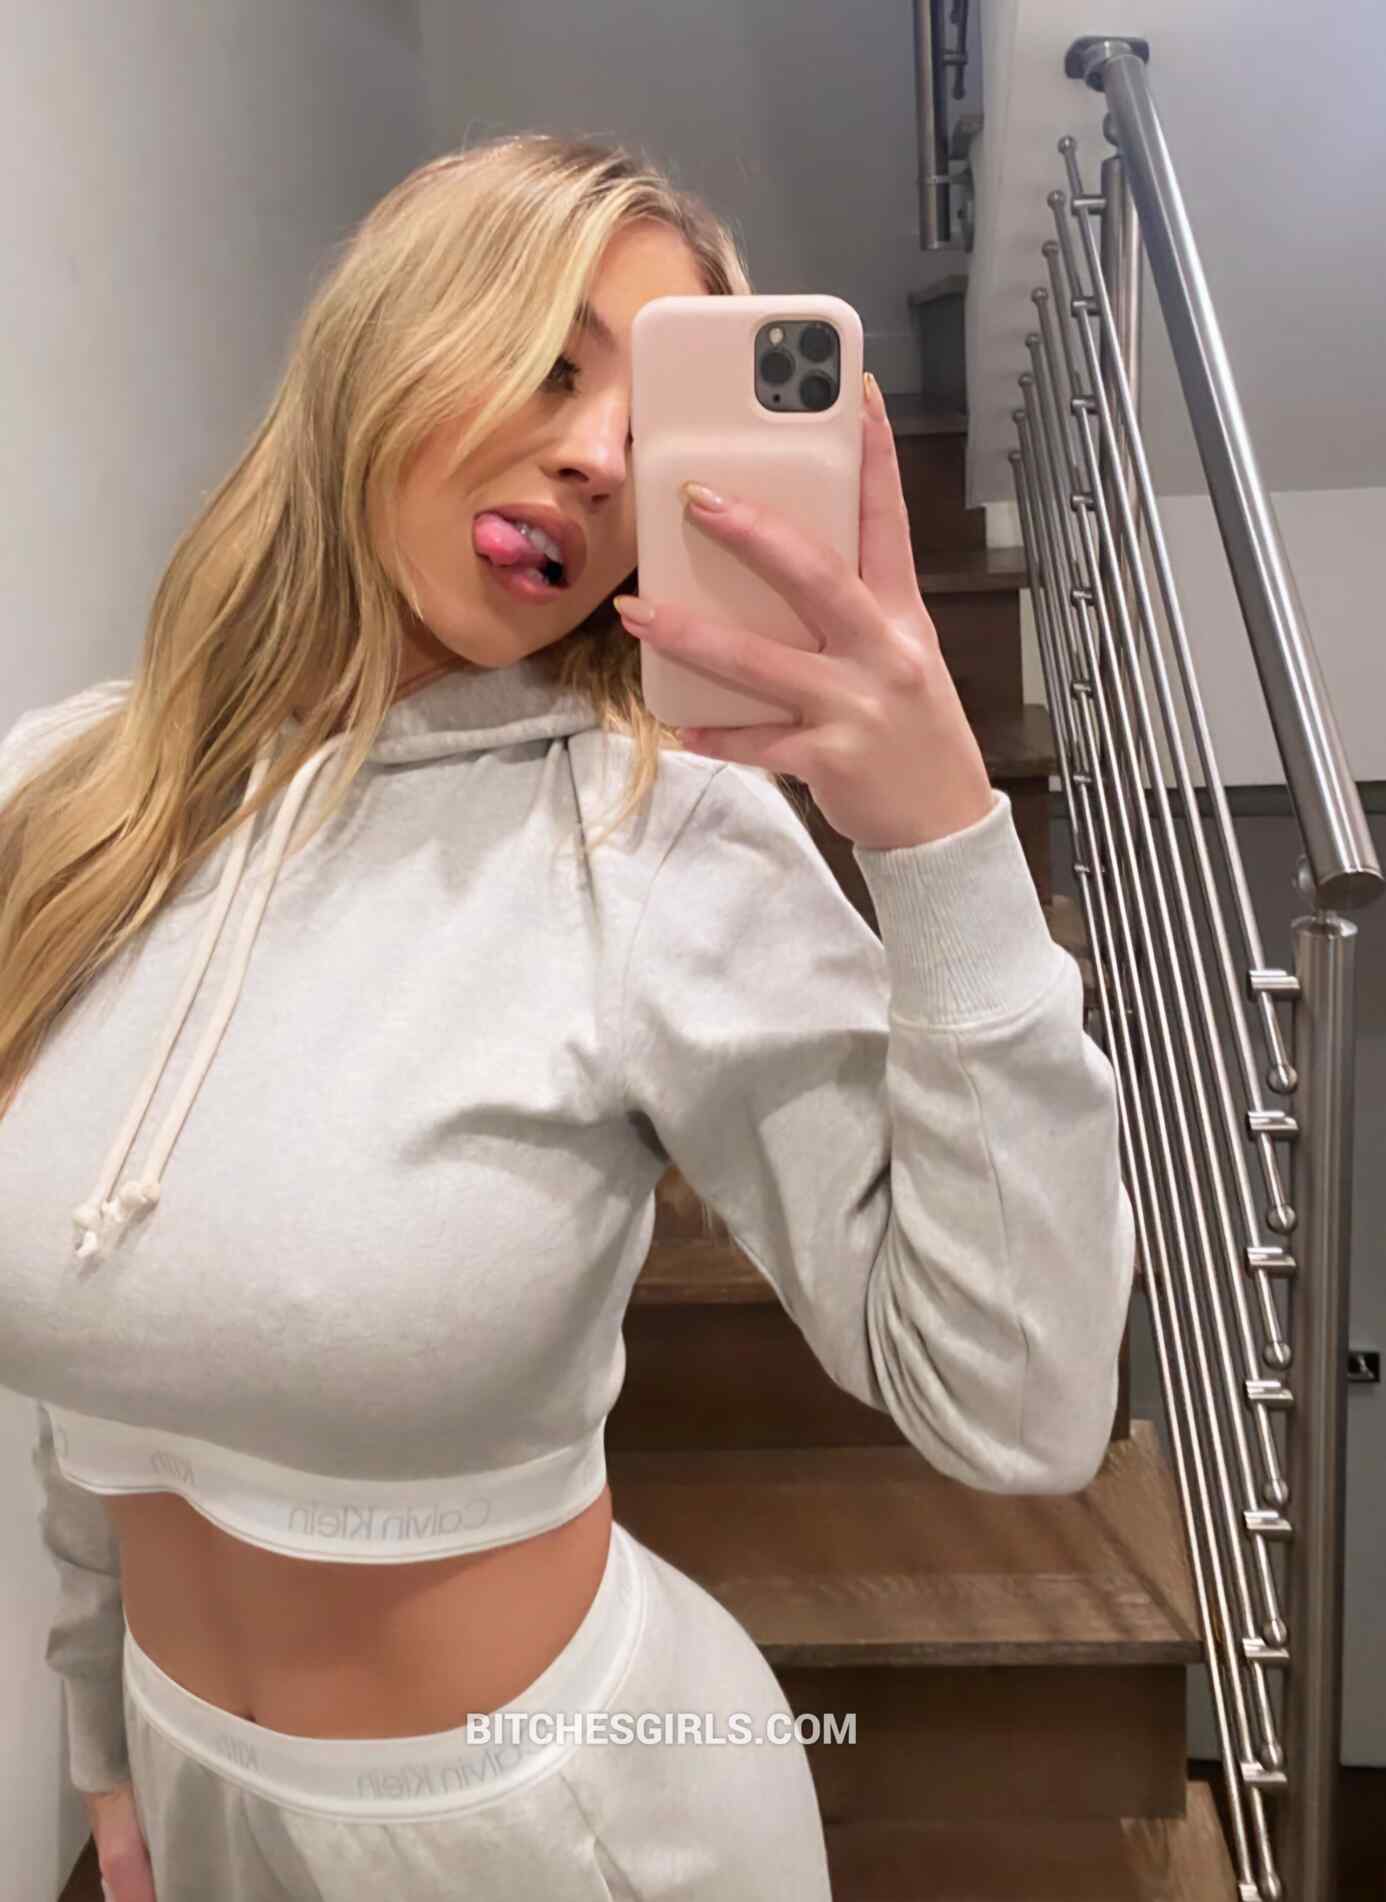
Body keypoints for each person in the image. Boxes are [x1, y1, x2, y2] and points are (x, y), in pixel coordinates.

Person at [0, 132, 1136, 1901]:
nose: (602, 457)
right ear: (384, 338)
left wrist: (936, 836)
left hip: (570, 1828)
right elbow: (96, 1377)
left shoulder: (657, 836)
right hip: (192, 1790)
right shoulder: (71, 794)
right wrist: (101, 1731)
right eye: (546, 361)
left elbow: (1023, 1404)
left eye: (656, 424)